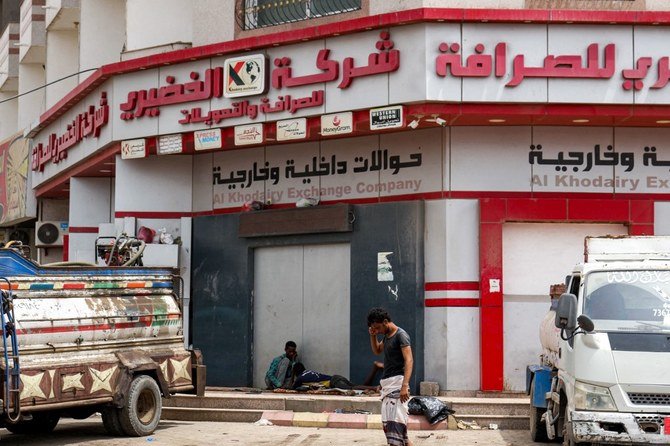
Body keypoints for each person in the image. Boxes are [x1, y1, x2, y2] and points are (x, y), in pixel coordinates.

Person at [368, 307, 414, 446]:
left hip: (398, 385)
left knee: (396, 429)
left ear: (386, 321)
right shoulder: (387, 336)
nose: (378, 330)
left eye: (378, 327)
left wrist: (404, 386)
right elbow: (377, 350)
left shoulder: (401, 335)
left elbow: (409, 360)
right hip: (388, 387)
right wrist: (373, 335)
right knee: (400, 434)